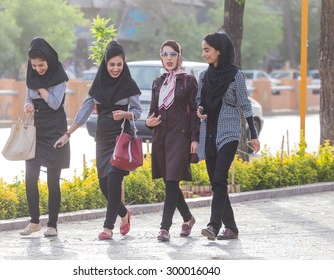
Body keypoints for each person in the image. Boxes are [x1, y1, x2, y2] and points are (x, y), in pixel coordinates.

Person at [54, 40, 142, 240]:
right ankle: (123, 213)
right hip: (102, 138)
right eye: (112, 64)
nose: (116, 68)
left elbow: (137, 111)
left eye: (119, 64)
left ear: (124, 64)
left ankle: (107, 227)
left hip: (121, 137)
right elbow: (84, 112)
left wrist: (126, 115)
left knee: (113, 181)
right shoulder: (98, 84)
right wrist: (68, 133)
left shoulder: (129, 84)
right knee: (104, 185)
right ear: (105, 64)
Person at [196, 32, 260, 241]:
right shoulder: (204, 76)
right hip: (209, 132)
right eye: (203, 49)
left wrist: (253, 134)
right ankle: (231, 228)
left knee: (219, 178)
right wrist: (200, 110)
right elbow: (200, 100)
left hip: (229, 132)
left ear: (219, 51)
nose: (203, 53)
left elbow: (245, 105)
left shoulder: (235, 76)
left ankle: (213, 226)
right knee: (217, 183)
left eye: (207, 50)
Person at [145, 40, 199, 241]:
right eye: (165, 54)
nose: (169, 58)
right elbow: (152, 112)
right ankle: (188, 218)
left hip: (181, 137)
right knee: (170, 183)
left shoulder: (188, 81)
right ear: (161, 57)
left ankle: (164, 228)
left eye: (172, 54)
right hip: (161, 137)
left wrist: (195, 138)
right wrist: (149, 122)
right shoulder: (157, 82)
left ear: (179, 57)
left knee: (171, 182)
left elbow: (194, 112)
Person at [20, 37, 70, 237]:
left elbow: (55, 103)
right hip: (36, 131)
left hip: (55, 130)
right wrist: (28, 105)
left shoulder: (60, 75)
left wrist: (40, 87)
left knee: (52, 180)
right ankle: (34, 222)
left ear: (48, 60)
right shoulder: (31, 75)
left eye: (41, 65)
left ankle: (52, 225)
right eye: (34, 65)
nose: (38, 69)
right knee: (30, 177)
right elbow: (27, 98)